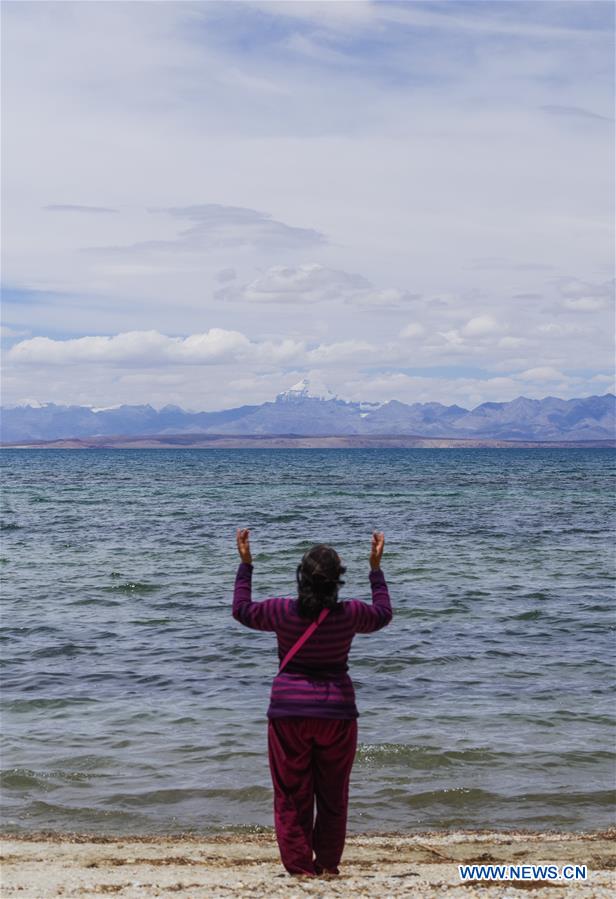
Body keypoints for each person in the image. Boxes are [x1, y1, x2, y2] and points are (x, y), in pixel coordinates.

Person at [232, 528, 392, 877]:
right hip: (337, 713)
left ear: (301, 577)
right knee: (333, 794)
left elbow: (242, 610)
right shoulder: (350, 614)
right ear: (338, 580)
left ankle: (300, 867)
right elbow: (383, 614)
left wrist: (246, 564)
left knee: (291, 794)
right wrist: (375, 569)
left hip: (289, 712)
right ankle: (328, 864)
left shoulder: (280, 611)